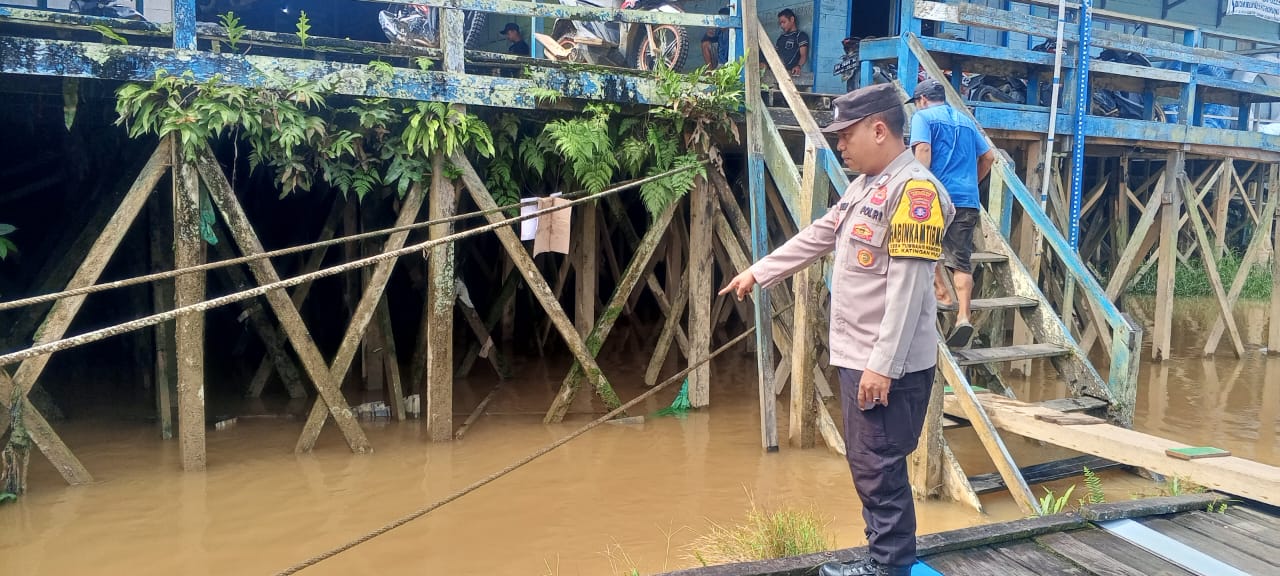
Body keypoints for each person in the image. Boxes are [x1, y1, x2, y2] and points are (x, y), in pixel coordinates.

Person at [720, 83, 955, 576]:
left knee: (880, 468)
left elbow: (911, 291)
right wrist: (759, 272)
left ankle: (889, 566)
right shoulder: (865, 185)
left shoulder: (915, 193)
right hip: (860, 358)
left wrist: (881, 366)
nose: (840, 145)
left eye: (846, 135)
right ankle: (883, 558)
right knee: (868, 465)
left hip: (885, 364)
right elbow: (821, 234)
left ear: (878, 129)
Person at [908, 77, 996, 348]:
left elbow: (922, 150)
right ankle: (963, 316)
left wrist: (918, 184)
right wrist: (973, 182)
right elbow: (989, 157)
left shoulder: (923, 118)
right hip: (967, 198)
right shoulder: (967, 121)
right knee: (961, 259)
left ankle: (942, 292)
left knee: (921, 244)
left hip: (936, 196)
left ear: (922, 100)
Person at [774, 8, 808, 76]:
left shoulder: (800, 36)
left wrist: (798, 66)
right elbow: (776, 54)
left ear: (792, 19)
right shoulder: (781, 38)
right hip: (778, 68)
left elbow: (803, 55)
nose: (782, 26)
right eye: (780, 23)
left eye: (784, 22)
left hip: (789, 70)